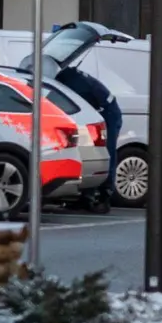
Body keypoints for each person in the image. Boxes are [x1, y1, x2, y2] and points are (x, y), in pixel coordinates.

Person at [54, 64, 119, 214]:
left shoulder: (71, 84)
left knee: (103, 153)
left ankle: (104, 196)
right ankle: (87, 197)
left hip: (107, 113)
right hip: (104, 109)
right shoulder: (69, 76)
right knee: (90, 152)